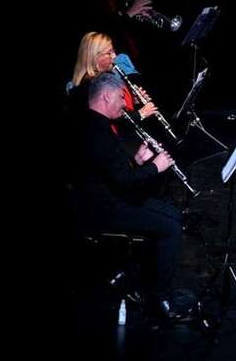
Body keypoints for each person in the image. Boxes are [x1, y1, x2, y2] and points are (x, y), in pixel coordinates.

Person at [74, 71, 184, 320]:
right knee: (171, 229)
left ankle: (141, 280)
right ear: (106, 96)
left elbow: (113, 172)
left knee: (171, 213)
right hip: (104, 209)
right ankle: (161, 299)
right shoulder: (97, 133)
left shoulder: (94, 125)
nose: (125, 104)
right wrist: (155, 167)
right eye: (120, 98)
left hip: (109, 199)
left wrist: (137, 161)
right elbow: (124, 182)